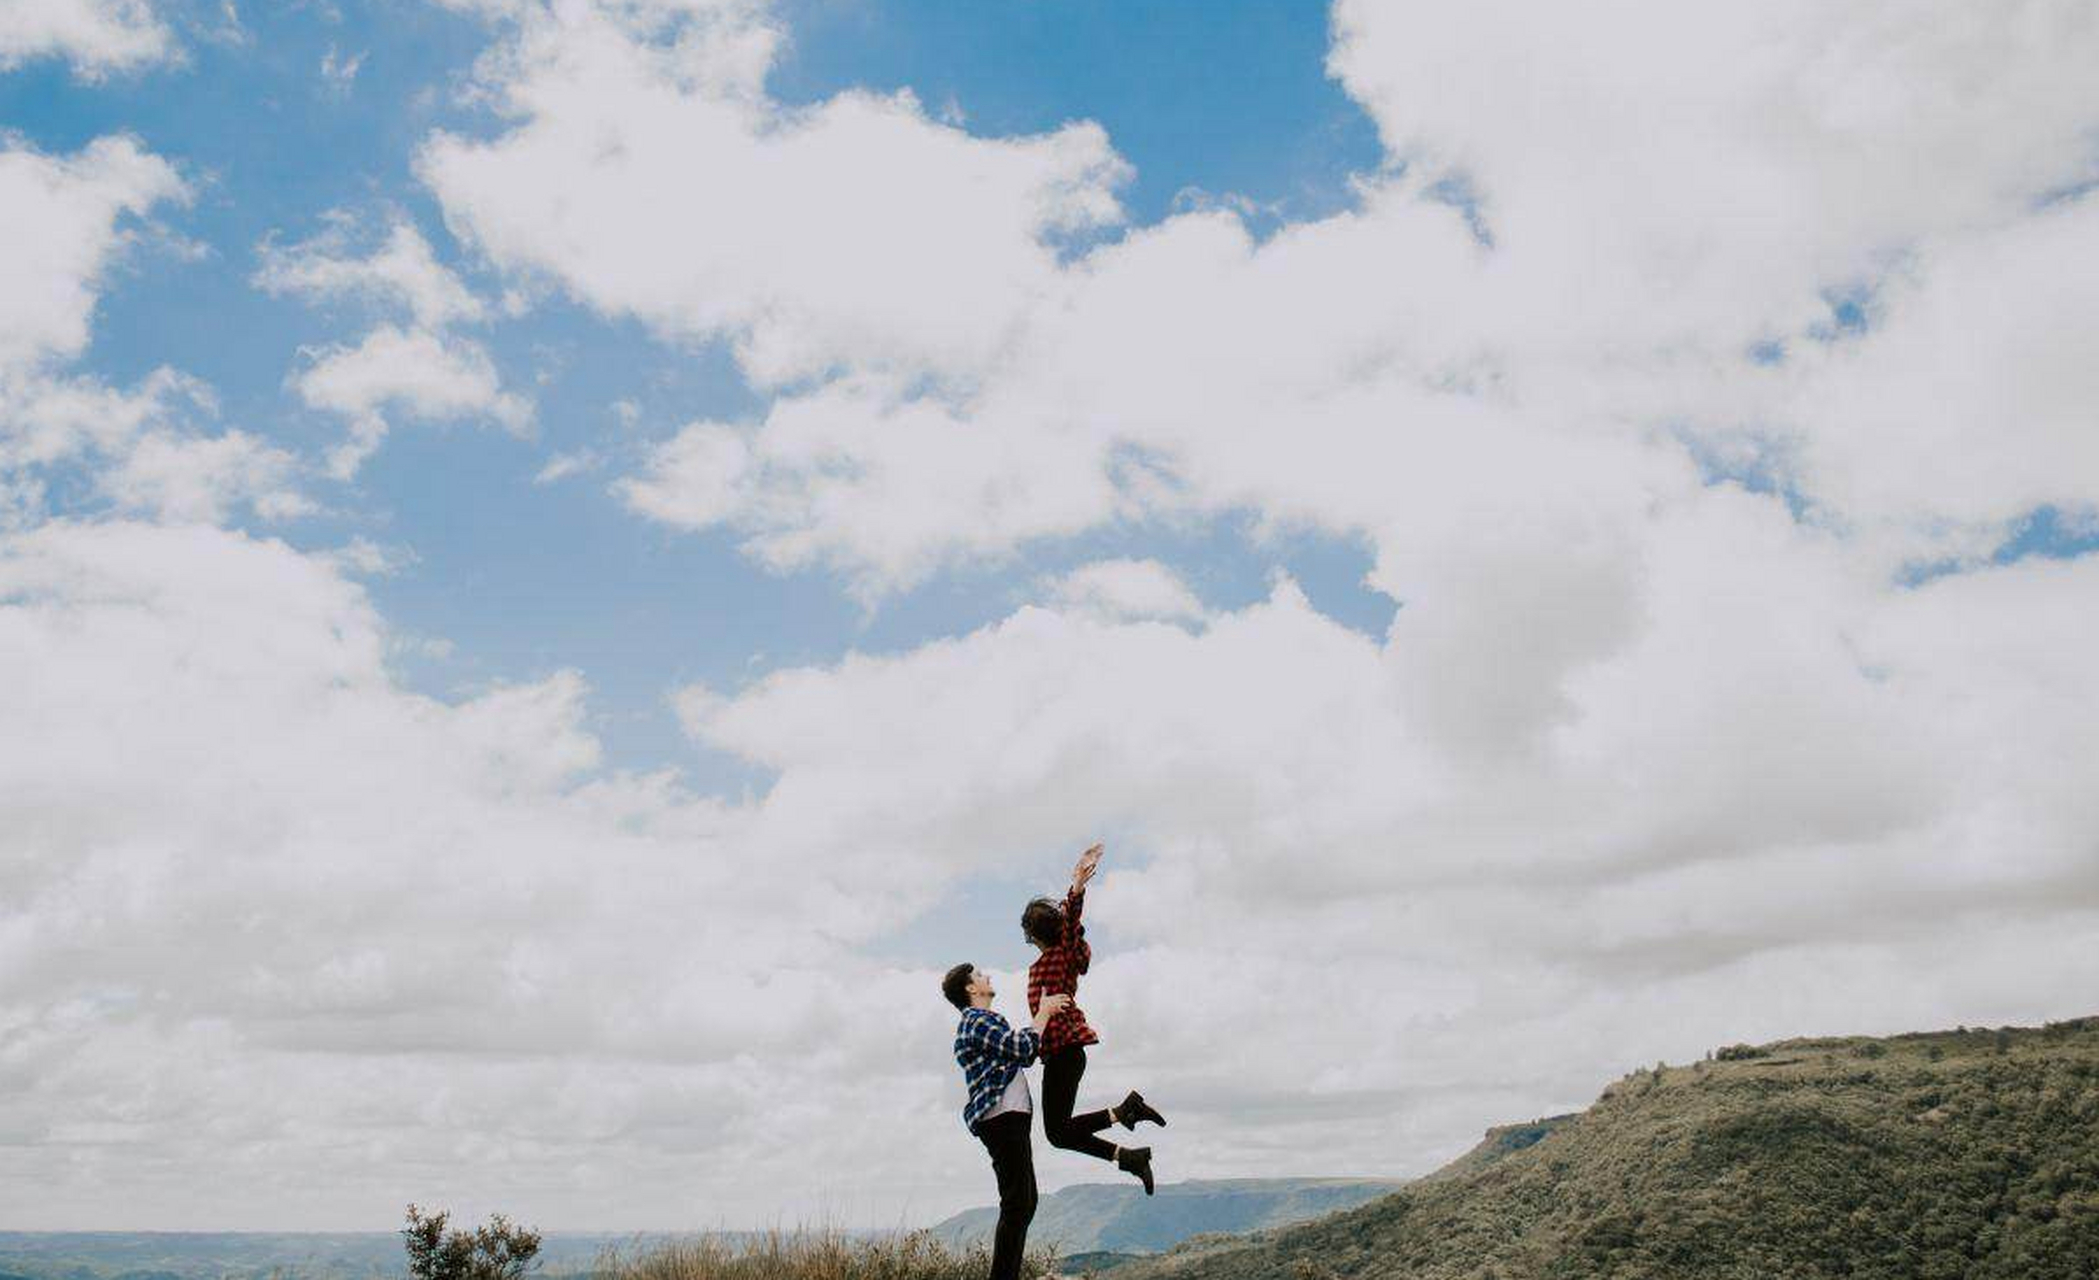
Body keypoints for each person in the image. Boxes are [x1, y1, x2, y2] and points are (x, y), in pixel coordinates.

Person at [1024, 842, 1167, 1194]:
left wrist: (1077, 885)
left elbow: (1071, 919)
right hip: (1060, 1055)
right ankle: (1129, 1150)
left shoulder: (1060, 955)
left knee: (1057, 1133)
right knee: (1059, 1133)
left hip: (1065, 1052)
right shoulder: (1048, 962)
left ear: (1032, 934)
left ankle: (1126, 1117)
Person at [943, 962, 1070, 1280]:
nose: (985, 976)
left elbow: (1023, 1052)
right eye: (978, 975)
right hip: (1001, 1118)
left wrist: (1038, 1022)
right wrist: (1043, 1012)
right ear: (970, 988)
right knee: (1017, 1203)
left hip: (1009, 1118)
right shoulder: (975, 1021)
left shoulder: (986, 1022)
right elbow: (1022, 1047)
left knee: (1025, 1201)